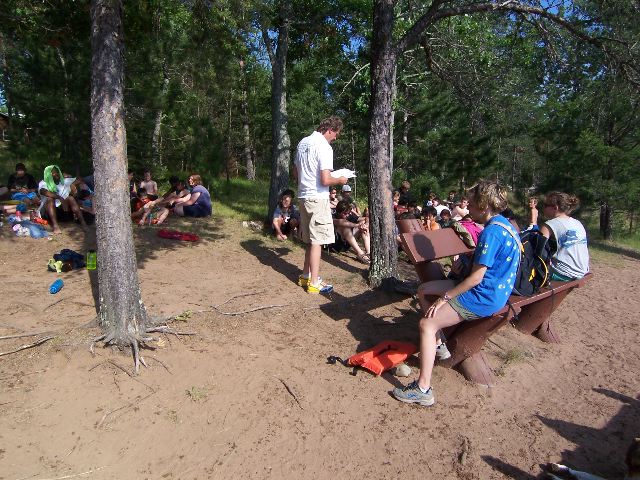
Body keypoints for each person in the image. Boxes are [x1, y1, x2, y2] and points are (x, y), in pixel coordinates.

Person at [392, 180, 520, 406]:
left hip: (483, 295)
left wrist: (445, 299)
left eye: (471, 203)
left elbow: (476, 278)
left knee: (426, 324)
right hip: (495, 290)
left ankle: (423, 389)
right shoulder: (505, 225)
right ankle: (439, 343)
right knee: (424, 290)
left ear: (484, 205)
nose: (467, 207)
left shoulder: (491, 233)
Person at [294, 115, 348, 294]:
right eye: (336, 134)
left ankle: (305, 275)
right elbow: (325, 180)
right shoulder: (324, 147)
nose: (336, 138)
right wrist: (340, 180)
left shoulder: (302, 143)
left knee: (310, 239)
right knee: (317, 241)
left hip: (303, 196)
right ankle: (314, 283)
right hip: (317, 197)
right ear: (330, 130)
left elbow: (295, 173)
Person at [531, 192, 589, 281]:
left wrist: (533, 220)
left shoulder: (550, 225)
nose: (543, 208)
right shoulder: (577, 223)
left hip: (563, 273)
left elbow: (536, 247)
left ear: (555, 207)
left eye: (545, 205)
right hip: (582, 271)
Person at [38, 165, 88, 234]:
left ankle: (83, 223)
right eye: (53, 173)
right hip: (47, 213)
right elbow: (43, 192)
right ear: (48, 174)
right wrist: (59, 197)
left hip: (62, 211)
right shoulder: (43, 183)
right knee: (50, 199)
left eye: (57, 172)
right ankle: (55, 226)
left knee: (70, 198)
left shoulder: (64, 181)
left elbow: (80, 179)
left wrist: (71, 181)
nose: (56, 174)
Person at [333, 199, 370, 264]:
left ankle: (368, 253)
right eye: (345, 213)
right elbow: (342, 222)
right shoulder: (333, 216)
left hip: (347, 243)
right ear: (338, 212)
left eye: (348, 213)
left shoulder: (349, 214)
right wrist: (357, 225)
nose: (347, 215)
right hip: (336, 245)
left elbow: (366, 218)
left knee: (363, 226)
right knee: (345, 227)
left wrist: (365, 225)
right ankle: (360, 253)